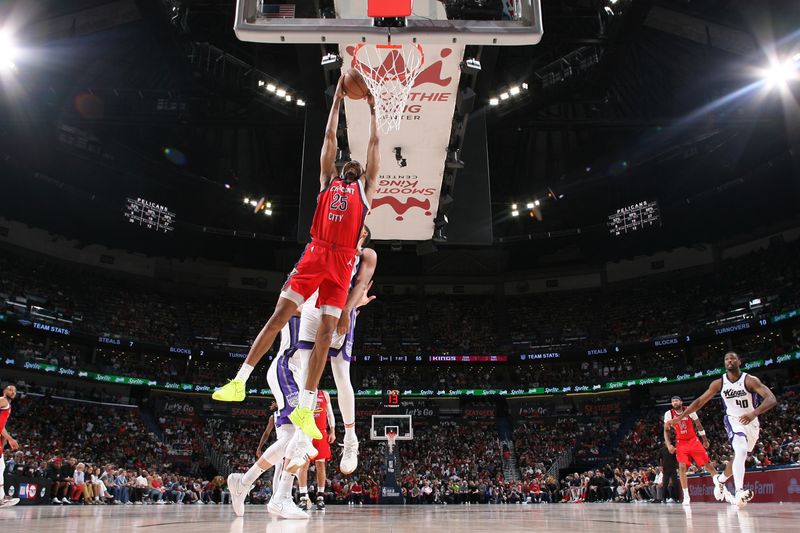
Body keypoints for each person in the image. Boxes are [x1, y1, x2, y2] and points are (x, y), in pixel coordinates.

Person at [213, 75, 380, 443]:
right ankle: (240, 380)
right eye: (347, 163)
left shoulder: (366, 193)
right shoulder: (326, 180)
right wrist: (337, 99)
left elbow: (374, 143)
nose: (352, 163)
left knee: (325, 336)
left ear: (363, 175)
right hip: (315, 253)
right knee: (279, 316)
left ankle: (306, 404)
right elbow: (329, 139)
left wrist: (372, 107)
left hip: (340, 263)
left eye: (358, 165)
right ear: (340, 168)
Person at [288, 227, 377, 475]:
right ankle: (304, 441)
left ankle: (350, 440)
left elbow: (359, 284)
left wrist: (348, 310)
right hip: (313, 304)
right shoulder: (328, 244)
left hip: (341, 307)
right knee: (307, 372)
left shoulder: (367, 254)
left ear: (363, 236)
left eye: (359, 229)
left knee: (340, 374)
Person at [668, 351, 777, 508]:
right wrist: (680, 417)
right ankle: (739, 491)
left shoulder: (750, 380)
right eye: (726, 359)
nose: (729, 361)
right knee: (740, 451)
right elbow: (699, 402)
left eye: (733, 358)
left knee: (740, 457)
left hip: (751, 422)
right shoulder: (719, 383)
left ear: (739, 361)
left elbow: (771, 399)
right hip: (733, 420)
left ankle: (720, 480)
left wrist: (754, 413)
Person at [226, 313, 307, 520]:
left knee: (290, 439)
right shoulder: (302, 295)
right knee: (303, 430)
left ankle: (243, 482)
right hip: (286, 368)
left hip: (298, 375)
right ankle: (281, 497)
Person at [663, 395, 728, 505]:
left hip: (693, 440)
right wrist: (669, 444)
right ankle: (686, 495)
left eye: (676, 401)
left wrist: (705, 440)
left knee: (708, 465)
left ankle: (723, 489)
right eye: (673, 401)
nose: (674, 403)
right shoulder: (668, 414)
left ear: (681, 402)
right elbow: (666, 430)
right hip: (681, 442)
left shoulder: (689, 410)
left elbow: (699, 425)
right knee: (682, 467)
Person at [296, 390, 336, 511]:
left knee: (320, 465)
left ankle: (320, 497)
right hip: (306, 433)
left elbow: (330, 414)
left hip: (321, 433)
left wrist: (332, 431)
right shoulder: (302, 393)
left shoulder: (325, 394)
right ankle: (303, 497)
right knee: (304, 465)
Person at [0, 385, 20, 508]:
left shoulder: (7, 404)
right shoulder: (3, 400)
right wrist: (9, 438)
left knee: (1, 466)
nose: (12, 391)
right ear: (4, 391)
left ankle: (1, 497)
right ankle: (1, 498)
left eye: (14, 390)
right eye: (10, 389)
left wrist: (7, 438)